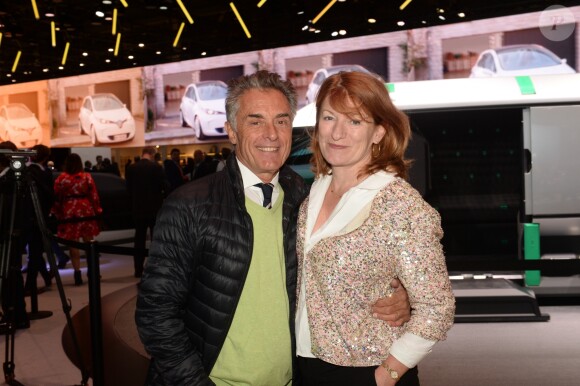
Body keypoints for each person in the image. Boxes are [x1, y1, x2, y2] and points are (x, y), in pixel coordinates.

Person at [135, 70, 411, 385]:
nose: (272, 135)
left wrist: (398, 294)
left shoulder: (307, 200)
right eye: (256, 122)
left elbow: (348, 273)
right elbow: (155, 314)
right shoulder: (188, 206)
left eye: (281, 121)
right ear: (232, 131)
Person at [295, 71, 455, 386]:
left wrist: (386, 375)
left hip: (367, 371)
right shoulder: (312, 194)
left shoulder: (398, 204)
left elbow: (437, 307)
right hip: (303, 366)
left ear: (379, 132)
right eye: (329, 118)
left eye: (355, 121)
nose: (337, 133)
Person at [52, 153, 102, 286]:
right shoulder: (86, 177)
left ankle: (77, 273)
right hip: (85, 210)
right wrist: (97, 211)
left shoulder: (61, 179)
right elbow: (94, 196)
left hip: (69, 211)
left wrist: (58, 213)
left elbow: (56, 198)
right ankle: (92, 272)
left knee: (73, 244)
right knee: (89, 243)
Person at [125, 146, 168, 278]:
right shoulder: (156, 168)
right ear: (152, 154)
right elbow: (164, 186)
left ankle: (138, 269)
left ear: (142, 153)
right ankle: (155, 267)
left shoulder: (131, 168)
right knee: (156, 239)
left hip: (138, 208)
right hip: (154, 209)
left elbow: (128, 189)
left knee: (139, 239)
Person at [22, 144, 54, 293]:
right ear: (46, 157)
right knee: (36, 250)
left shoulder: (24, 171)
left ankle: (46, 277)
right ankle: (30, 285)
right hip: (38, 216)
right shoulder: (44, 174)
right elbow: (49, 197)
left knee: (35, 250)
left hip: (24, 216)